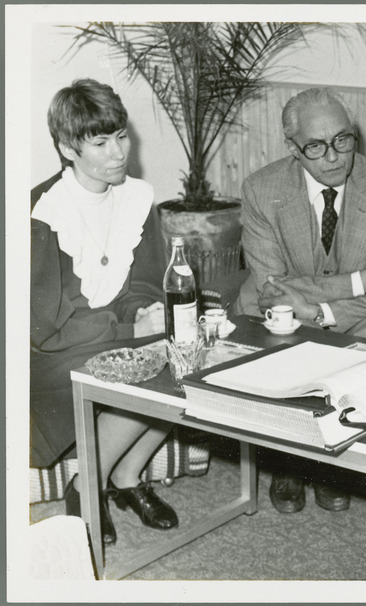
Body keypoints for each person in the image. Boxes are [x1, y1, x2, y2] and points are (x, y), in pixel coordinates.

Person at [235, 87, 366, 514]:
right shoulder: (262, 190)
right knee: (280, 343)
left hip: (361, 317)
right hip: (279, 320)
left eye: (343, 140)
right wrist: (364, 278)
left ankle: (337, 461)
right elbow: (272, 292)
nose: (334, 156)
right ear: (293, 149)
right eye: (316, 147)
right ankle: (288, 459)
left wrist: (320, 309)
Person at [31, 79, 179, 545]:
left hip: (117, 333)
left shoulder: (135, 197)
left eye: (121, 136)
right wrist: (130, 326)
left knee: (193, 355)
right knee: (153, 368)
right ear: (67, 147)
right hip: (53, 352)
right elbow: (42, 326)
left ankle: (128, 476)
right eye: (100, 142)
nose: (118, 153)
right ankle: (86, 485)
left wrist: (147, 312)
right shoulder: (43, 211)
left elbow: (143, 280)